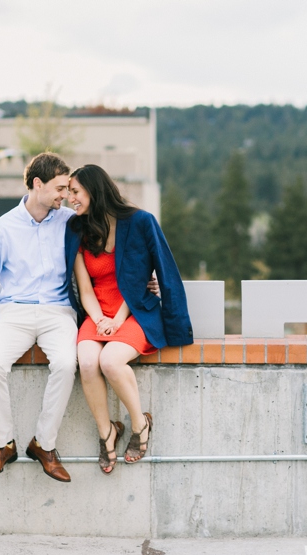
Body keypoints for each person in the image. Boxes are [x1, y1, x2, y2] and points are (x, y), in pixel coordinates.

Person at [64, 164, 193, 474]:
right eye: (67, 192)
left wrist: (118, 320)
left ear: (93, 191)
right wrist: (98, 320)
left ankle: (140, 424)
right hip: (97, 313)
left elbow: (153, 275)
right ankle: (107, 432)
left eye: (75, 192)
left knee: (110, 361)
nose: (70, 199)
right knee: (87, 360)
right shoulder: (78, 229)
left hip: (134, 311)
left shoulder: (140, 222)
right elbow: (84, 287)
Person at [0, 152, 78, 482]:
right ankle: (4, 445)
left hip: (58, 312)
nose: (65, 195)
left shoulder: (71, 222)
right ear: (37, 184)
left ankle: (44, 445)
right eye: (60, 188)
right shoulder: (1, 229)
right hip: (14, 313)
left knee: (65, 364)